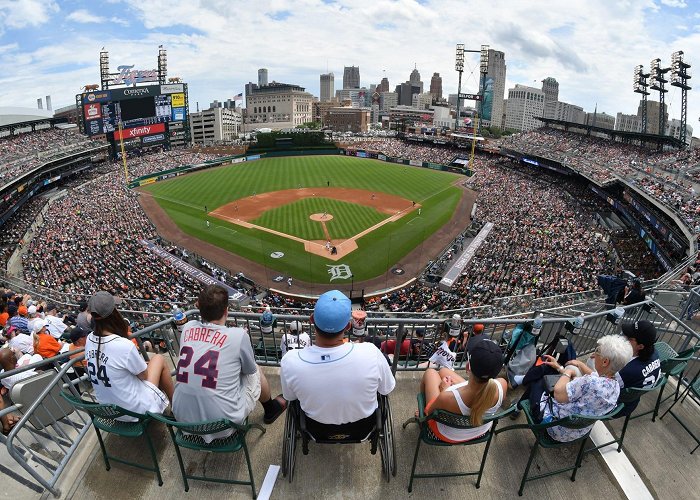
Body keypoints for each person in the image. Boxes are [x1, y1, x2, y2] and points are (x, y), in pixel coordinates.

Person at [172, 284, 286, 438]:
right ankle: (271, 410)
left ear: (199, 309)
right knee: (255, 370)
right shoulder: (238, 335)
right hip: (222, 425)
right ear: (226, 311)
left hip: (183, 420)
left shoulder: (187, 328)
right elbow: (249, 371)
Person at [280, 290, 395, 430]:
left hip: (315, 429)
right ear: (348, 326)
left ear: (312, 320)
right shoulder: (371, 352)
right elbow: (385, 390)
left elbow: (290, 397)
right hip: (363, 427)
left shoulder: (290, 361)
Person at [84, 291, 173, 420]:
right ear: (113, 314)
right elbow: (144, 376)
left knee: (148, 365)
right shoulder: (123, 345)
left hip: (110, 411)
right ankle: (176, 407)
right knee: (158, 359)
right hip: (134, 412)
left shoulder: (89, 338)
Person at [532, 334, 632, 442]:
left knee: (539, 381)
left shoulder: (589, 382)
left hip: (555, 427)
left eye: (597, 351)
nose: (594, 354)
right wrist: (569, 366)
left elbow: (558, 395)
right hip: (579, 432)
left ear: (605, 362)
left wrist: (567, 372)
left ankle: (518, 406)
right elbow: (594, 377)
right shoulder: (615, 387)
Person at [420, 338, 507, 442]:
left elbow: (429, 412)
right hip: (480, 431)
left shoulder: (447, 397)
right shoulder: (502, 384)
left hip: (449, 434)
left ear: (467, 366)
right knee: (443, 370)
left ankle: (420, 415)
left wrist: (445, 390)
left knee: (430, 373)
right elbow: (478, 401)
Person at [567, 320, 660, 417]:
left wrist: (581, 364)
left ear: (641, 346)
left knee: (578, 367)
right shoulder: (654, 353)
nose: (624, 338)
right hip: (631, 402)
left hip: (614, 406)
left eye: (629, 338)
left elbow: (601, 384)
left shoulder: (627, 372)